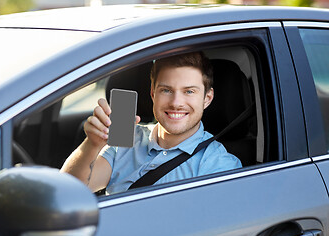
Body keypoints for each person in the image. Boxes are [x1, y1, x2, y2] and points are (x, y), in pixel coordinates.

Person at [60, 52, 242, 194]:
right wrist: (92, 144)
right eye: (166, 90)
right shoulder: (126, 138)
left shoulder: (218, 165)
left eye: (189, 92)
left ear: (207, 98)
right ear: (153, 94)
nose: (176, 103)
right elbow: (67, 192)